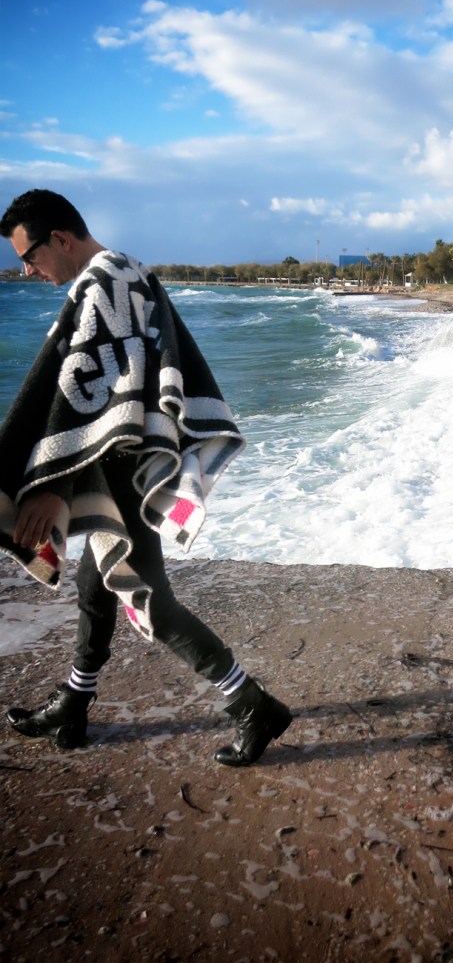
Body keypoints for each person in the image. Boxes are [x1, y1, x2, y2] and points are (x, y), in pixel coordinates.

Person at [0, 189, 292, 765]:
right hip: (125, 457)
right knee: (95, 582)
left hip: (120, 464)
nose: (26, 271)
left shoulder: (103, 282)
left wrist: (52, 482)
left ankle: (251, 702)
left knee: (147, 596)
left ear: (60, 238)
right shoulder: (129, 269)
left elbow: (84, 384)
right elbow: (112, 378)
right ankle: (76, 700)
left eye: (28, 256)